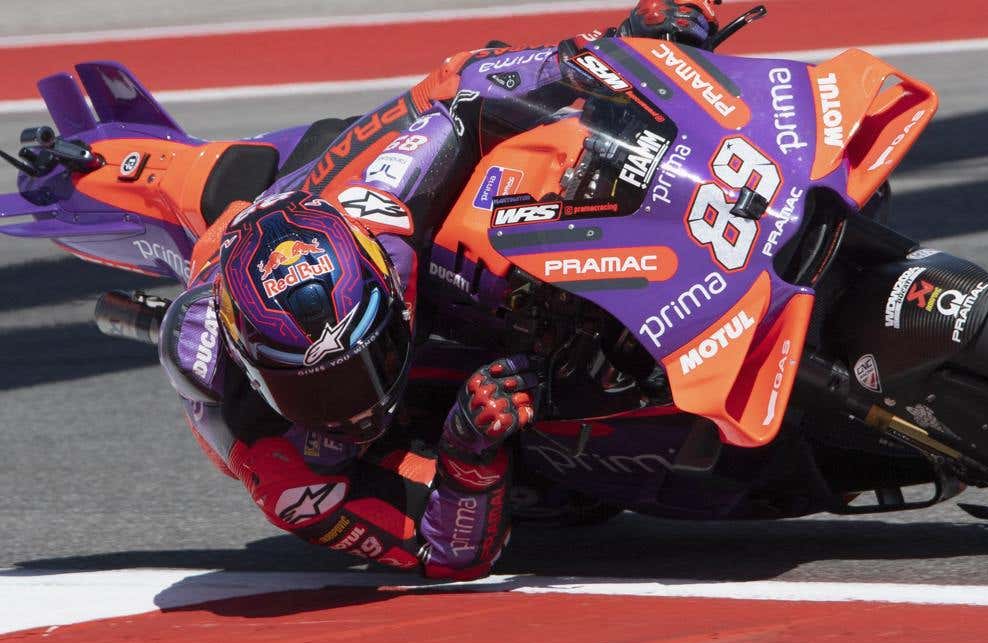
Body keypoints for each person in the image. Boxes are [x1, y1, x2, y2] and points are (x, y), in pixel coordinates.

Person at [159, 0, 723, 580]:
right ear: (258, 376)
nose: (354, 406)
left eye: (363, 367)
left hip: (323, 187)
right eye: (317, 394)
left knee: (489, 82)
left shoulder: (385, 214)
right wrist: (466, 453)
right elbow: (445, 556)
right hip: (259, 277)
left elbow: (466, 82)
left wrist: (614, 51)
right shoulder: (280, 467)